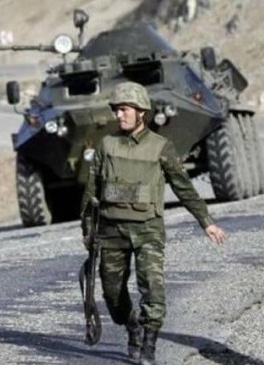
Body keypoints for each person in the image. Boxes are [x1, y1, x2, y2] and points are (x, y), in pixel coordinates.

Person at [80, 81, 226, 365]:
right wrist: (87, 230)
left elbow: (184, 188)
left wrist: (206, 221)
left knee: (153, 290)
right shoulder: (107, 145)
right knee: (112, 294)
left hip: (148, 230)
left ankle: (148, 346)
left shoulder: (161, 148)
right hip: (111, 231)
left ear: (140, 112)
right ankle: (132, 325)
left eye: (124, 110)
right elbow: (92, 192)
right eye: (116, 110)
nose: (118, 115)